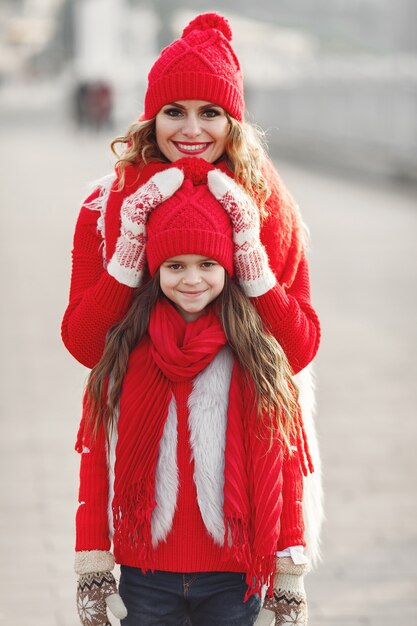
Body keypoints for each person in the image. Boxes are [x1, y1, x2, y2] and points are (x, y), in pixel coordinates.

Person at [62, 11, 323, 625]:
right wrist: (128, 253)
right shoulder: (105, 205)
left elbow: (300, 346)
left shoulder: (269, 206)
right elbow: (82, 342)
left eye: (210, 112)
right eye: (174, 111)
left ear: (234, 120)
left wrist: (252, 256)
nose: (191, 129)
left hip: (242, 477)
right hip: (148, 478)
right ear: (150, 115)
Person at [75, 162, 312, 626]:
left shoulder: (254, 355)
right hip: (146, 574)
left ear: (229, 266)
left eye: (208, 265)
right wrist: (92, 565)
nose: (191, 279)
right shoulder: (126, 349)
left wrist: (288, 574)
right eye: (174, 265)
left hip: (233, 574)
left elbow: (286, 466)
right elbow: (96, 458)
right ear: (154, 268)